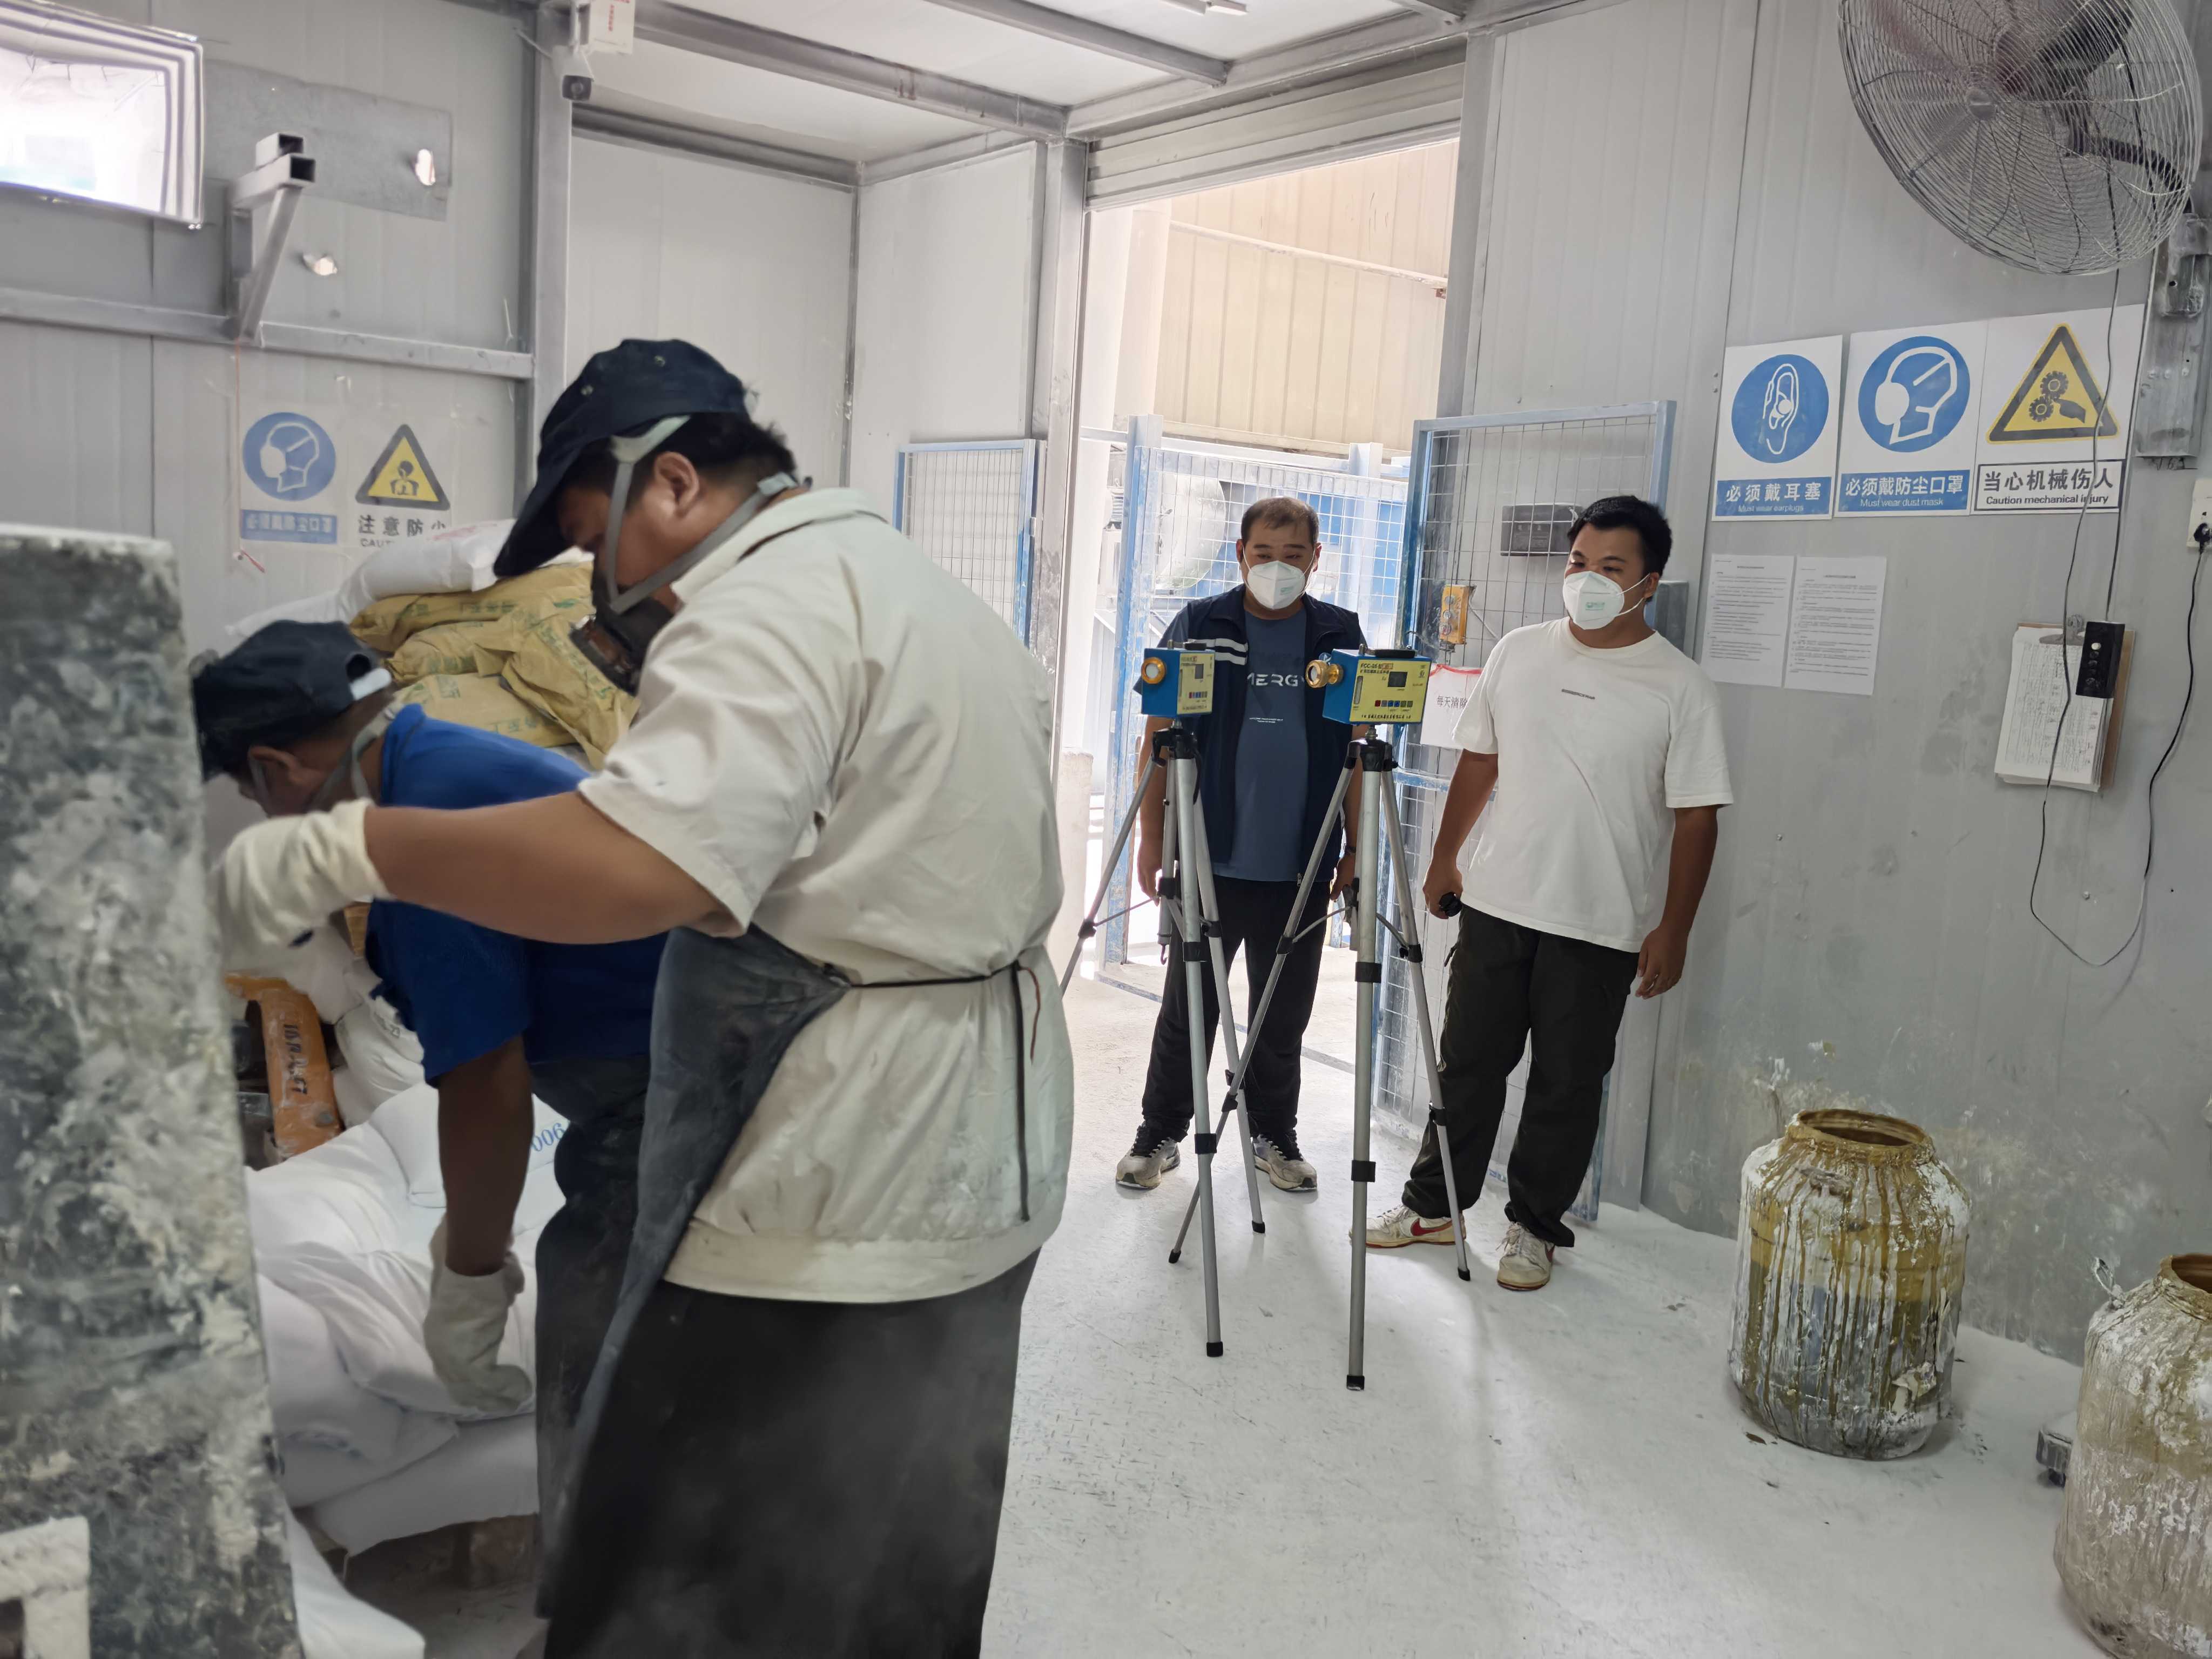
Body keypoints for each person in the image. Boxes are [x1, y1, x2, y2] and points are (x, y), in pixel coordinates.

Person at [211, 338, 1073, 1658]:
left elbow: (641, 866)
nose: (600, 586)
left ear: (668, 482)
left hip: (839, 1168)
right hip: (981, 1143)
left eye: (586, 540)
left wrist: (355, 851)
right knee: (901, 1544)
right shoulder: (906, 585)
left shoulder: (764, 608)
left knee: (700, 1559)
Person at [192, 622, 666, 1563]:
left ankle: (617, 1593)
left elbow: (488, 1088)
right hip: (660, 1076)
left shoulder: (429, 833)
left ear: (277, 768)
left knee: (590, 1339)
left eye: (253, 796)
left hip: (672, 1093)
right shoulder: (440, 762)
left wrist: (469, 1284)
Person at [1364, 495, 1731, 1290]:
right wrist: (1444, 859)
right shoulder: (1520, 652)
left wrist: (1674, 928)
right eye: (1579, 562)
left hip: (1600, 922)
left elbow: (1698, 817)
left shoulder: (1681, 687)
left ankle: (1534, 1228)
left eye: (1611, 568)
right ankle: (1434, 1206)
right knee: (1468, 1066)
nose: (1588, 579)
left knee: (1566, 1084)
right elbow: (1481, 761)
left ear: (1648, 584)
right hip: (1498, 901)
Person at [1116, 496, 1366, 1197]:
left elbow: (1358, 746)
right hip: (1209, 856)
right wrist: (1152, 840)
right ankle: (1160, 1133)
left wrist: (1356, 849)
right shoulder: (1200, 624)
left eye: (1294, 555)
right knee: (1188, 1007)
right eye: (1264, 554)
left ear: (1316, 559)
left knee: (1282, 1015)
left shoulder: (1339, 634)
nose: (1277, 567)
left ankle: (1272, 1134)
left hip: (1302, 861)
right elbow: (1158, 736)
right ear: (1240, 554)